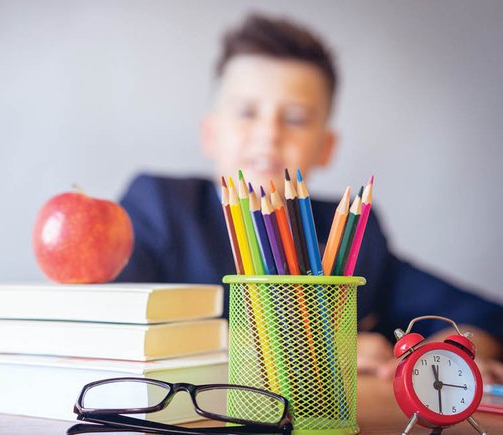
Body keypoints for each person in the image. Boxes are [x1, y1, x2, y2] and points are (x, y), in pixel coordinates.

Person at [115, 13, 503, 382]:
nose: (269, 133)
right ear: (210, 133)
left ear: (326, 147)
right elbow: (114, 324)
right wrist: (316, 350)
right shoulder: (160, 206)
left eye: (296, 118)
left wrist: (454, 349)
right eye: (248, 112)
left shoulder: (351, 231)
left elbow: (482, 316)